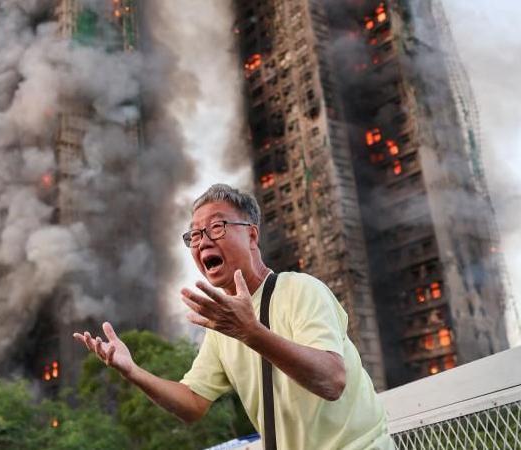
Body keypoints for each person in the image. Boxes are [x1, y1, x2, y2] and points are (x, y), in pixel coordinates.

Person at [73, 183, 395, 449]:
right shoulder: (222, 329)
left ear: (252, 236)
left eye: (217, 226)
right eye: (195, 235)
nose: (203, 241)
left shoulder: (301, 290)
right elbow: (192, 404)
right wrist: (133, 371)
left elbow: (332, 380)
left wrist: (250, 332)